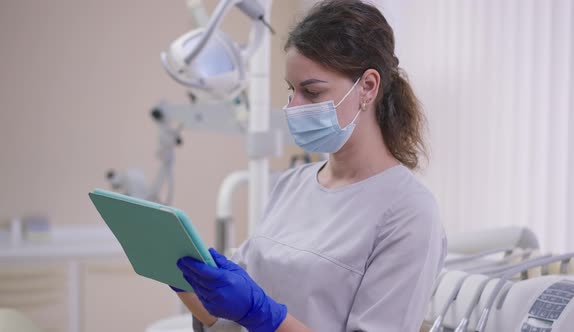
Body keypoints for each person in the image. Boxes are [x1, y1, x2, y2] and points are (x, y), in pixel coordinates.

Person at [172, 1, 447, 331]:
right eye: (292, 90)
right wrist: (182, 275)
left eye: (311, 91)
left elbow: (252, 310)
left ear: (368, 87)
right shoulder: (292, 184)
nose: (293, 107)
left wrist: (263, 315)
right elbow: (222, 318)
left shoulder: (409, 212)